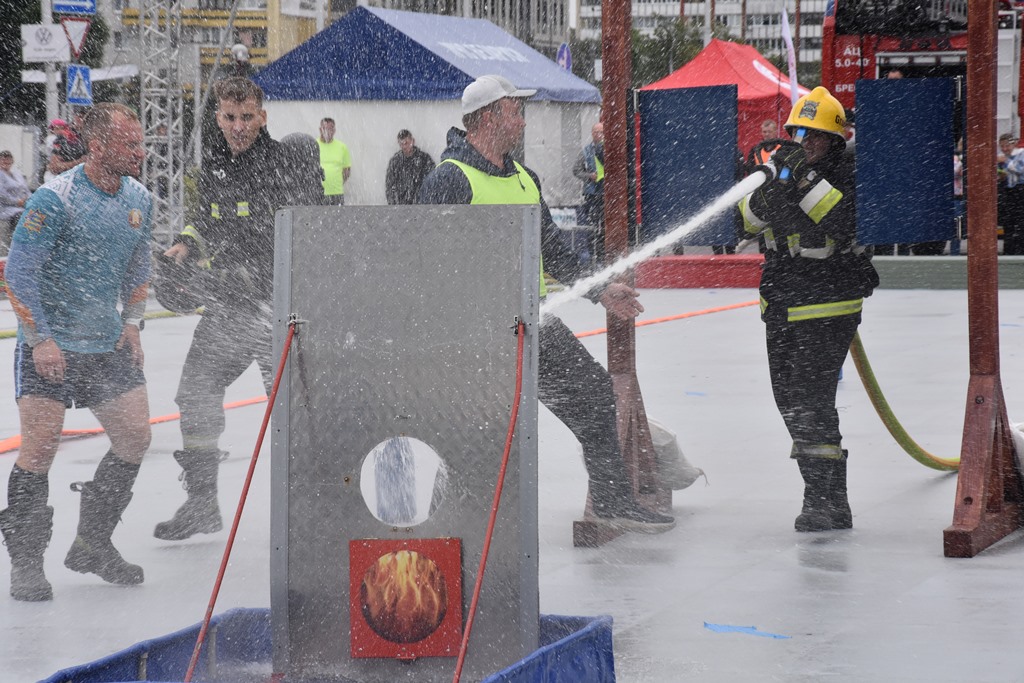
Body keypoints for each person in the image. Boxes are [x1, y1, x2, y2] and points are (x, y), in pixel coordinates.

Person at [418, 74, 674, 533]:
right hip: (482, 333)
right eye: (516, 109)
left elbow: (552, 251)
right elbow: (427, 267)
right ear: (489, 116)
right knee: (479, 433)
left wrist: (600, 291)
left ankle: (613, 501)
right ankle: (447, 521)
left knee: (594, 397)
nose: (522, 118)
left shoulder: (524, 178)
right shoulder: (449, 180)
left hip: (533, 322)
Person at [1, 103, 152, 601]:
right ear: (99, 145)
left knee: (135, 436)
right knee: (40, 449)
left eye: (140, 141)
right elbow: (18, 273)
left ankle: (92, 544)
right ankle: (26, 564)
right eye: (130, 143)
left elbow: (138, 267)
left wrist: (131, 324)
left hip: (103, 342)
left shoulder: (140, 200)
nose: (141, 151)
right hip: (49, 344)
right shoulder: (55, 198)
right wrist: (41, 337)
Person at [155, 77, 317, 541]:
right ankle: (202, 502)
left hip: (278, 309)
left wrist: (273, 281)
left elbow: (305, 234)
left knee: (291, 410)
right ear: (218, 116)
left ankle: (311, 510)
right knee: (195, 392)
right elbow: (206, 218)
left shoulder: (287, 162)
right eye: (229, 117)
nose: (238, 127)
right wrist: (186, 245)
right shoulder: (215, 165)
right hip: (229, 306)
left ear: (263, 116)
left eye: (248, 117)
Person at [738, 86, 879, 532]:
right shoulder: (778, 170)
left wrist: (803, 181)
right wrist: (767, 183)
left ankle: (822, 497)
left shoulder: (850, 170)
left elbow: (843, 221)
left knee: (810, 399)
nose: (806, 143)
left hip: (830, 298)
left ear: (836, 139)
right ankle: (830, 496)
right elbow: (743, 222)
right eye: (799, 133)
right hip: (780, 298)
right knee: (789, 402)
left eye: (816, 136)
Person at [573, 122, 606, 261]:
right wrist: (589, 176)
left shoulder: (609, 149)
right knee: (592, 224)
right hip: (592, 194)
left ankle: (603, 252)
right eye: (597, 132)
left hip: (606, 194)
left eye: (602, 132)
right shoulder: (586, 151)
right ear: (592, 134)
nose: (600, 135)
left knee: (605, 225)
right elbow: (576, 170)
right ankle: (593, 254)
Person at [385, 129, 435, 205]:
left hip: (421, 208)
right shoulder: (395, 162)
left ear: (413, 141)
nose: (404, 146)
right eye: (401, 144)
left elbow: (432, 182)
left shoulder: (424, 159)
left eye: (406, 143)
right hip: (401, 209)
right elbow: (390, 187)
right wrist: (394, 206)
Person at [997, 132, 1024, 255]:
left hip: (1020, 192)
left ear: (1014, 144)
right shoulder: (1001, 157)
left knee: (1020, 223)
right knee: (1008, 224)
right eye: (1002, 146)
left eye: (1007, 146)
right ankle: (1009, 251)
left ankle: (1019, 251)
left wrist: (1006, 161)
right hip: (1008, 193)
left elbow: (1019, 170)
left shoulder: (1021, 154)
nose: (1004, 149)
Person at [0, 150, 31, 253]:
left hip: (22, 204)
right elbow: (3, 195)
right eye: (3, 159)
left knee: (34, 214)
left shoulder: (17, 174)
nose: (6, 161)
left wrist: (31, 200)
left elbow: (25, 189)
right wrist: (17, 202)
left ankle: (29, 244)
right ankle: (17, 244)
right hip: (6, 207)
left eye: (8, 158)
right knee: (21, 215)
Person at [317, 117, 352, 205]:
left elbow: (346, 171)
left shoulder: (342, 147)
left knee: (338, 218)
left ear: (334, 131)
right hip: (318, 193)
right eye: (325, 129)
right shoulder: (314, 145)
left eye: (330, 129)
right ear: (320, 129)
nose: (328, 132)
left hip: (337, 194)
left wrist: (336, 183)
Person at [44, 115, 87, 183]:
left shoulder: (74, 139)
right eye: (55, 129)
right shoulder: (58, 139)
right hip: (62, 178)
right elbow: (54, 167)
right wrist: (78, 162)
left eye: (59, 128)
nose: (56, 131)